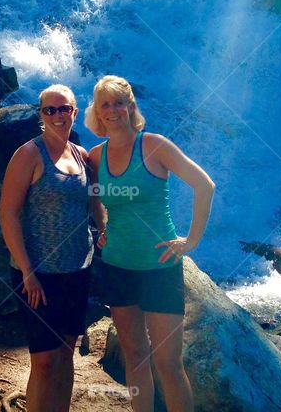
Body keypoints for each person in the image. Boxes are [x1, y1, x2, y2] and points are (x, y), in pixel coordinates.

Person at [85, 75, 215, 412]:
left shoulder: (154, 145)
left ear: (130, 107)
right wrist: (103, 226)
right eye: (105, 105)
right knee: (135, 354)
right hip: (117, 265)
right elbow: (93, 197)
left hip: (159, 267)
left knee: (169, 364)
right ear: (97, 114)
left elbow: (205, 186)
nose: (112, 110)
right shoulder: (96, 157)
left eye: (118, 103)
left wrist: (190, 240)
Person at [0, 83, 102, 412]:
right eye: (49, 110)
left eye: (64, 109)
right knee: (43, 362)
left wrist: (106, 228)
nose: (57, 115)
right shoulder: (29, 154)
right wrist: (27, 271)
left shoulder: (82, 156)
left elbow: (95, 204)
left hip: (78, 270)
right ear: (41, 114)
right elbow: (8, 214)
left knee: (65, 353)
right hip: (39, 276)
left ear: (74, 111)